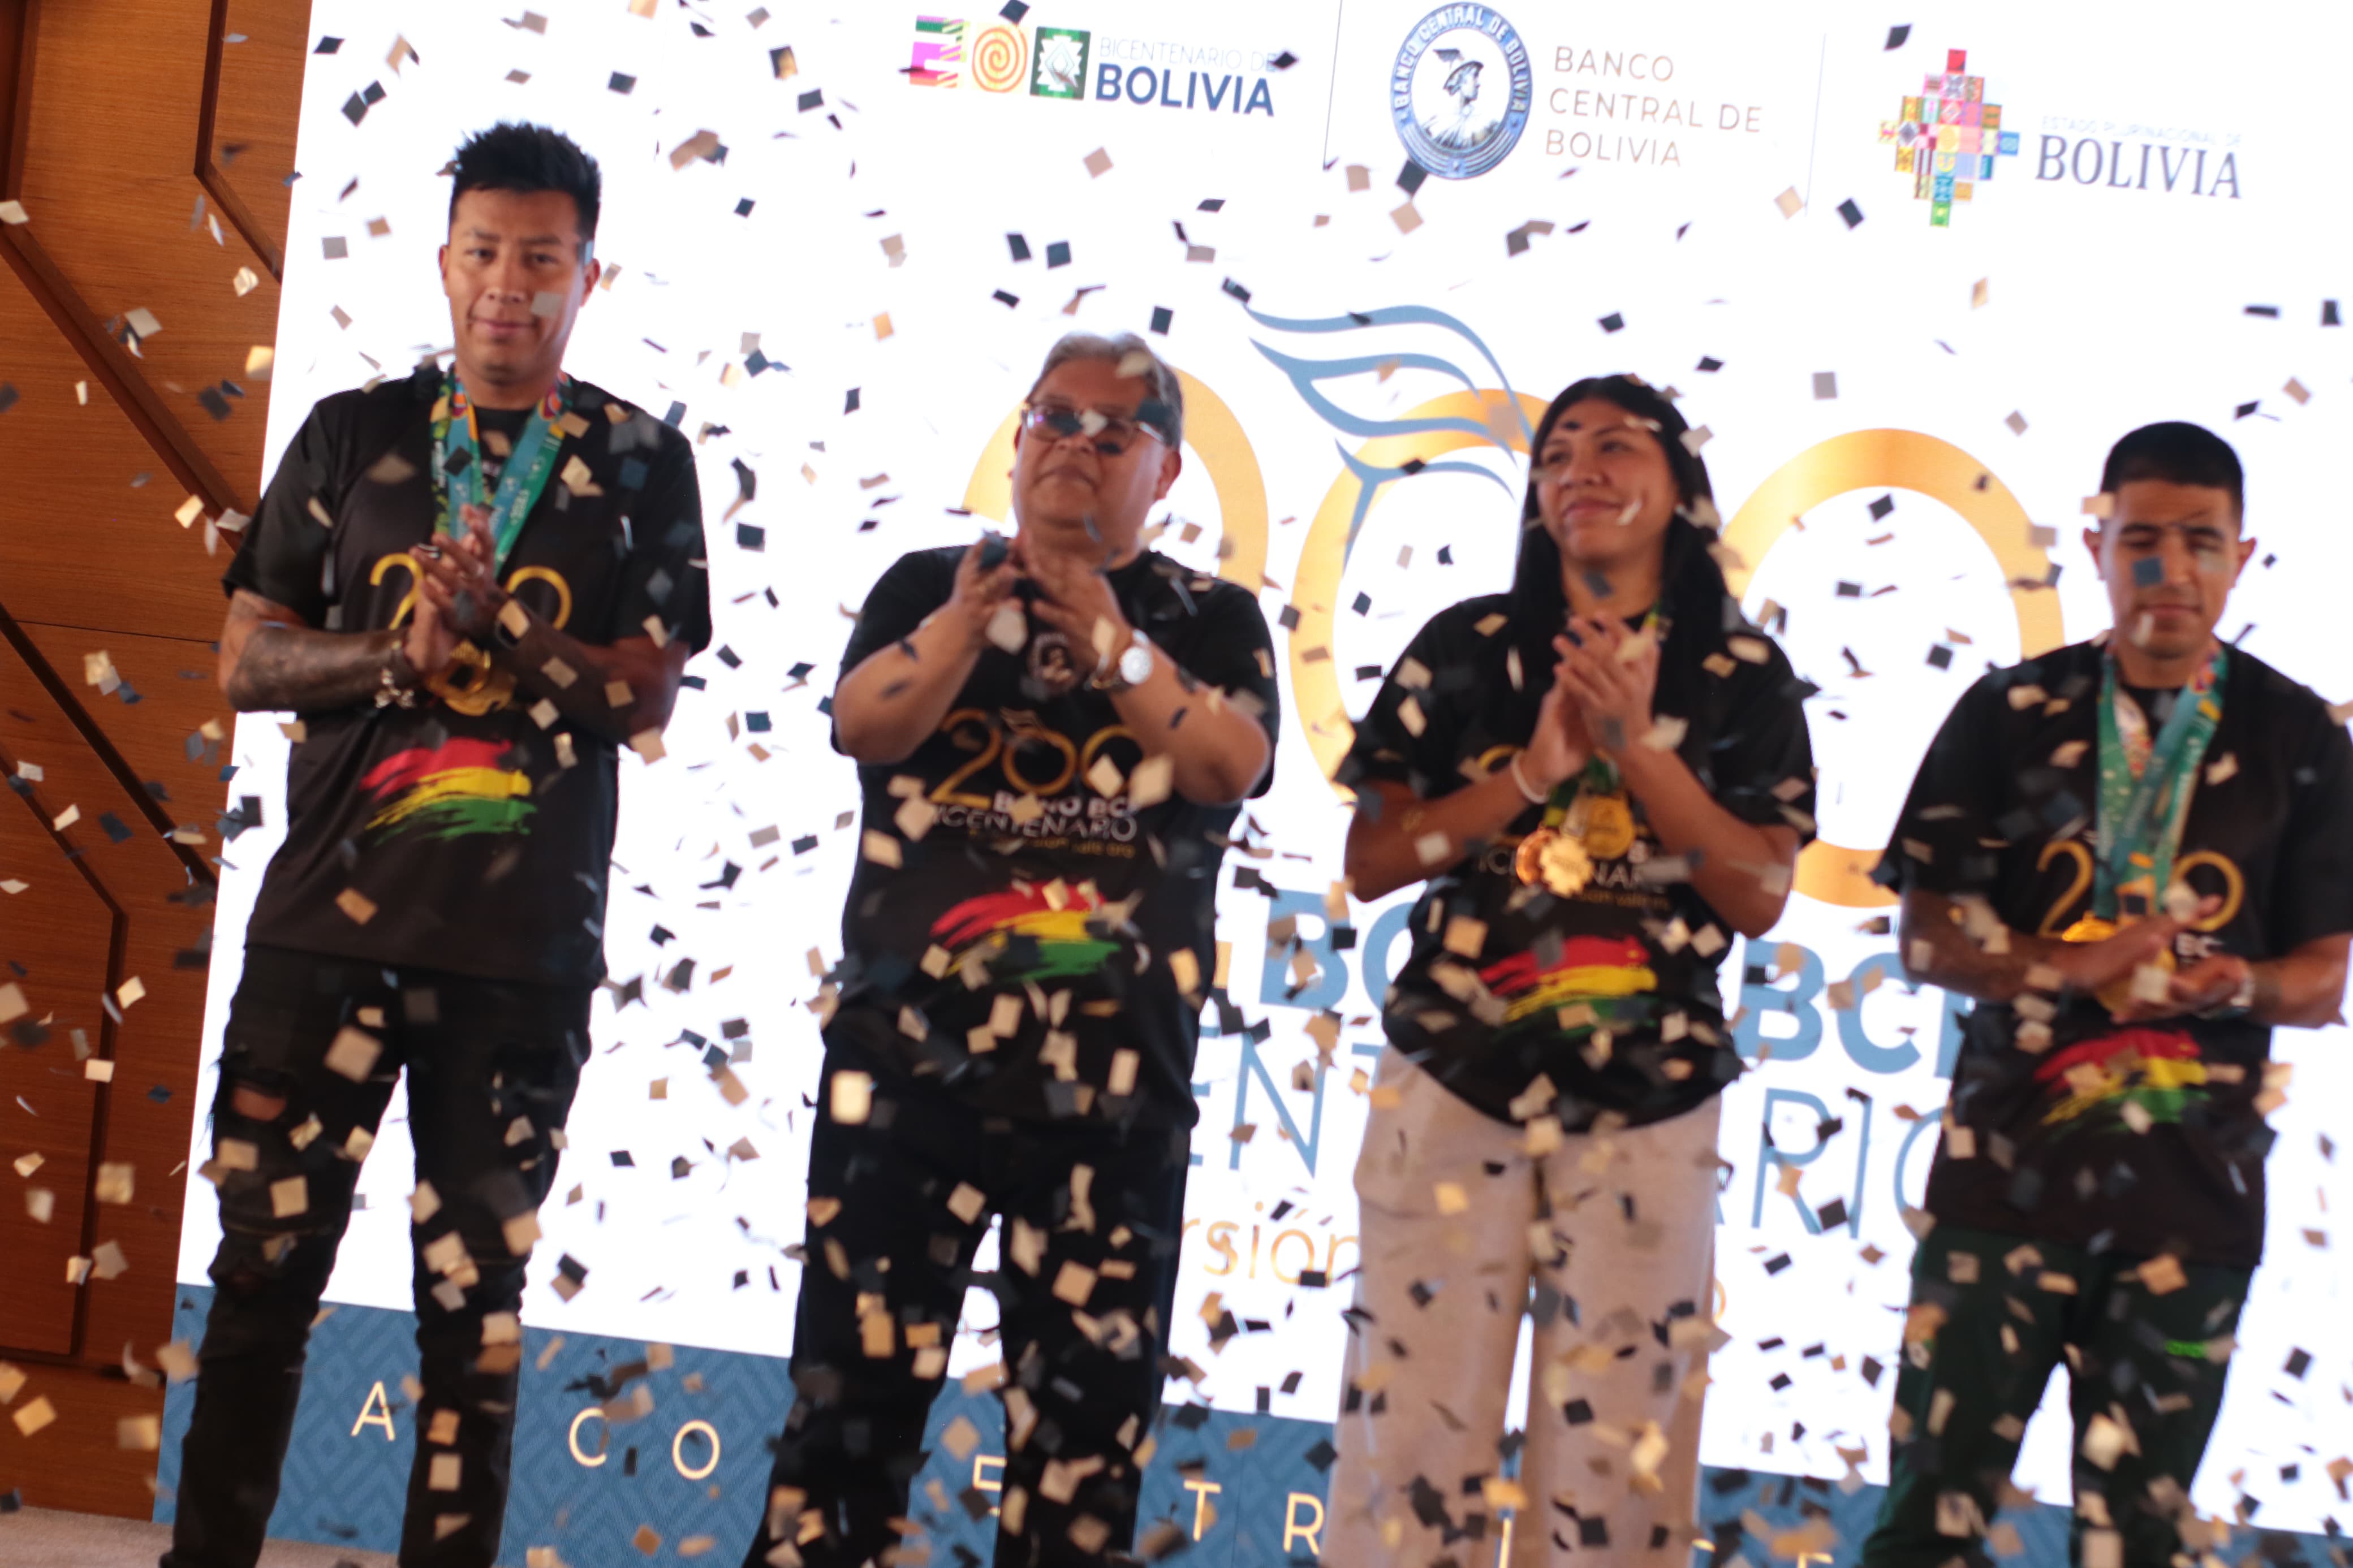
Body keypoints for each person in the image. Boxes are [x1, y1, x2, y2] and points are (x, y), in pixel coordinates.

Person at [167, 123, 710, 1568]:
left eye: (541, 258)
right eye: (483, 252)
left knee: (474, 1320)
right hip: (319, 941)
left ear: (588, 275)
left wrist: (509, 634)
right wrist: (393, 657)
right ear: (445, 261)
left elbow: (645, 696)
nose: (507, 285)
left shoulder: (643, 461)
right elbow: (245, 658)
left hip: (517, 959)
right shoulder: (354, 433)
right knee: (260, 1284)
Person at [740, 334, 1279, 1567]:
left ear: (1167, 469)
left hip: (1113, 1103)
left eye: (1111, 430)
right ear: (1019, 435)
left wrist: (1111, 635)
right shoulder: (926, 586)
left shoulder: (1211, 618)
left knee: (1079, 1463)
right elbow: (864, 726)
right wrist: (965, 622)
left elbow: (1225, 764)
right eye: (1054, 418)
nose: (1074, 446)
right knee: (842, 1430)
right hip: (905, 1080)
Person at [1324, 375, 1817, 1565]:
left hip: (1652, 1100)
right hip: (1455, 1076)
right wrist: (1530, 776)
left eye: (1613, 446)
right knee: (1407, 1451)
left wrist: (1639, 752)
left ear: (1681, 488)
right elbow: (1373, 860)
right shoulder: (1466, 646)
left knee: (1616, 1473)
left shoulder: (1743, 672)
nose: (1578, 470)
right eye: (1555, 455)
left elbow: (1757, 893)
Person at [1861, 422, 2352, 1567]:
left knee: (2135, 1542)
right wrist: (2077, 965)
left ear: (2242, 558)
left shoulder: (2302, 739)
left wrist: (2237, 982)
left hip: (2193, 1201)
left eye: (2201, 542)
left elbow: (2323, 978)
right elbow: (1927, 938)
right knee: (1925, 1526)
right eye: (2141, 539)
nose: (2169, 568)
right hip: (1998, 1193)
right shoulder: (2006, 712)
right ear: (2096, 546)